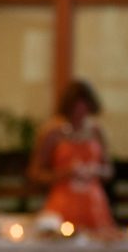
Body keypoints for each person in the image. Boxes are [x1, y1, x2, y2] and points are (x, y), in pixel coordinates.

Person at [29, 79, 116, 231]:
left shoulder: (96, 131)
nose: (81, 113)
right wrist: (65, 173)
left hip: (93, 203)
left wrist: (94, 170)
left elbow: (109, 170)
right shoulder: (52, 132)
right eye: (76, 108)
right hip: (63, 200)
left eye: (85, 108)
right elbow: (35, 172)